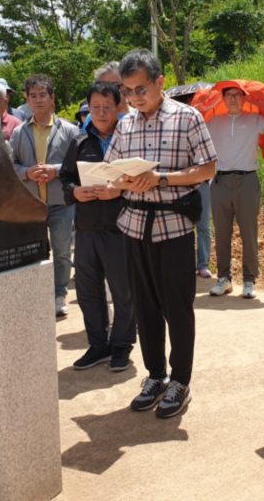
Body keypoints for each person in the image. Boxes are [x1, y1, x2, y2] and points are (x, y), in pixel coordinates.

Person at [107, 49, 217, 418]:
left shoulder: (188, 118)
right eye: (128, 91)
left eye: (141, 89)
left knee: (177, 308)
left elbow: (207, 169)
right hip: (134, 226)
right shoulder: (125, 124)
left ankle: (180, 381)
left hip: (174, 227)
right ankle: (155, 376)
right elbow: (113, 171)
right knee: (145, 306)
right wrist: (118, 182)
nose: (135, 98)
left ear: (159, 82)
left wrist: (162, 179)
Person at [60, 81, 136, 372]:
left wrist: (120, 191)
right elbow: (66, 178)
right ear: (88, 109)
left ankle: (121, 346)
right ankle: (98, 345)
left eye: (107, 107)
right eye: (95, 108)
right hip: (87, 228)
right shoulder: (79, 142)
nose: (101, 113)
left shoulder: (131, 140)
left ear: (119, 107)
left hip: (122, 227)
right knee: (88, 291)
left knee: (123, 291)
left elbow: (143, 180)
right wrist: (74, 192)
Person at [9, 74, 80, 317]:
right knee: (34, 250)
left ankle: (59, 293)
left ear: (52, 99)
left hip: (61, 202)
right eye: (33, 96)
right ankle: (37, 294)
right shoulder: (18, 133)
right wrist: (27, 172)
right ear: (26, 99)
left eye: (43, 95)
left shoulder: (70, 130)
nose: (38, 100)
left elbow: (78, 164)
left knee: (61, 250)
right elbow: (11, 167)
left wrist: (56, 171)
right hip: (31, 203)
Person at [206, 83, 264, 299]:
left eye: (237, 95)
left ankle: (249, 279)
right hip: (220, 181)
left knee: (249, 233)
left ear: (244, 98)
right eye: (228, 95)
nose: (233, 99)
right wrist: (207, 105)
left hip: (247, 180)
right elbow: (194, 126)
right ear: (222, 99)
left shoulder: (254, 119)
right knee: (222, 234)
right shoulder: (213, 121)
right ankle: (224, 279)